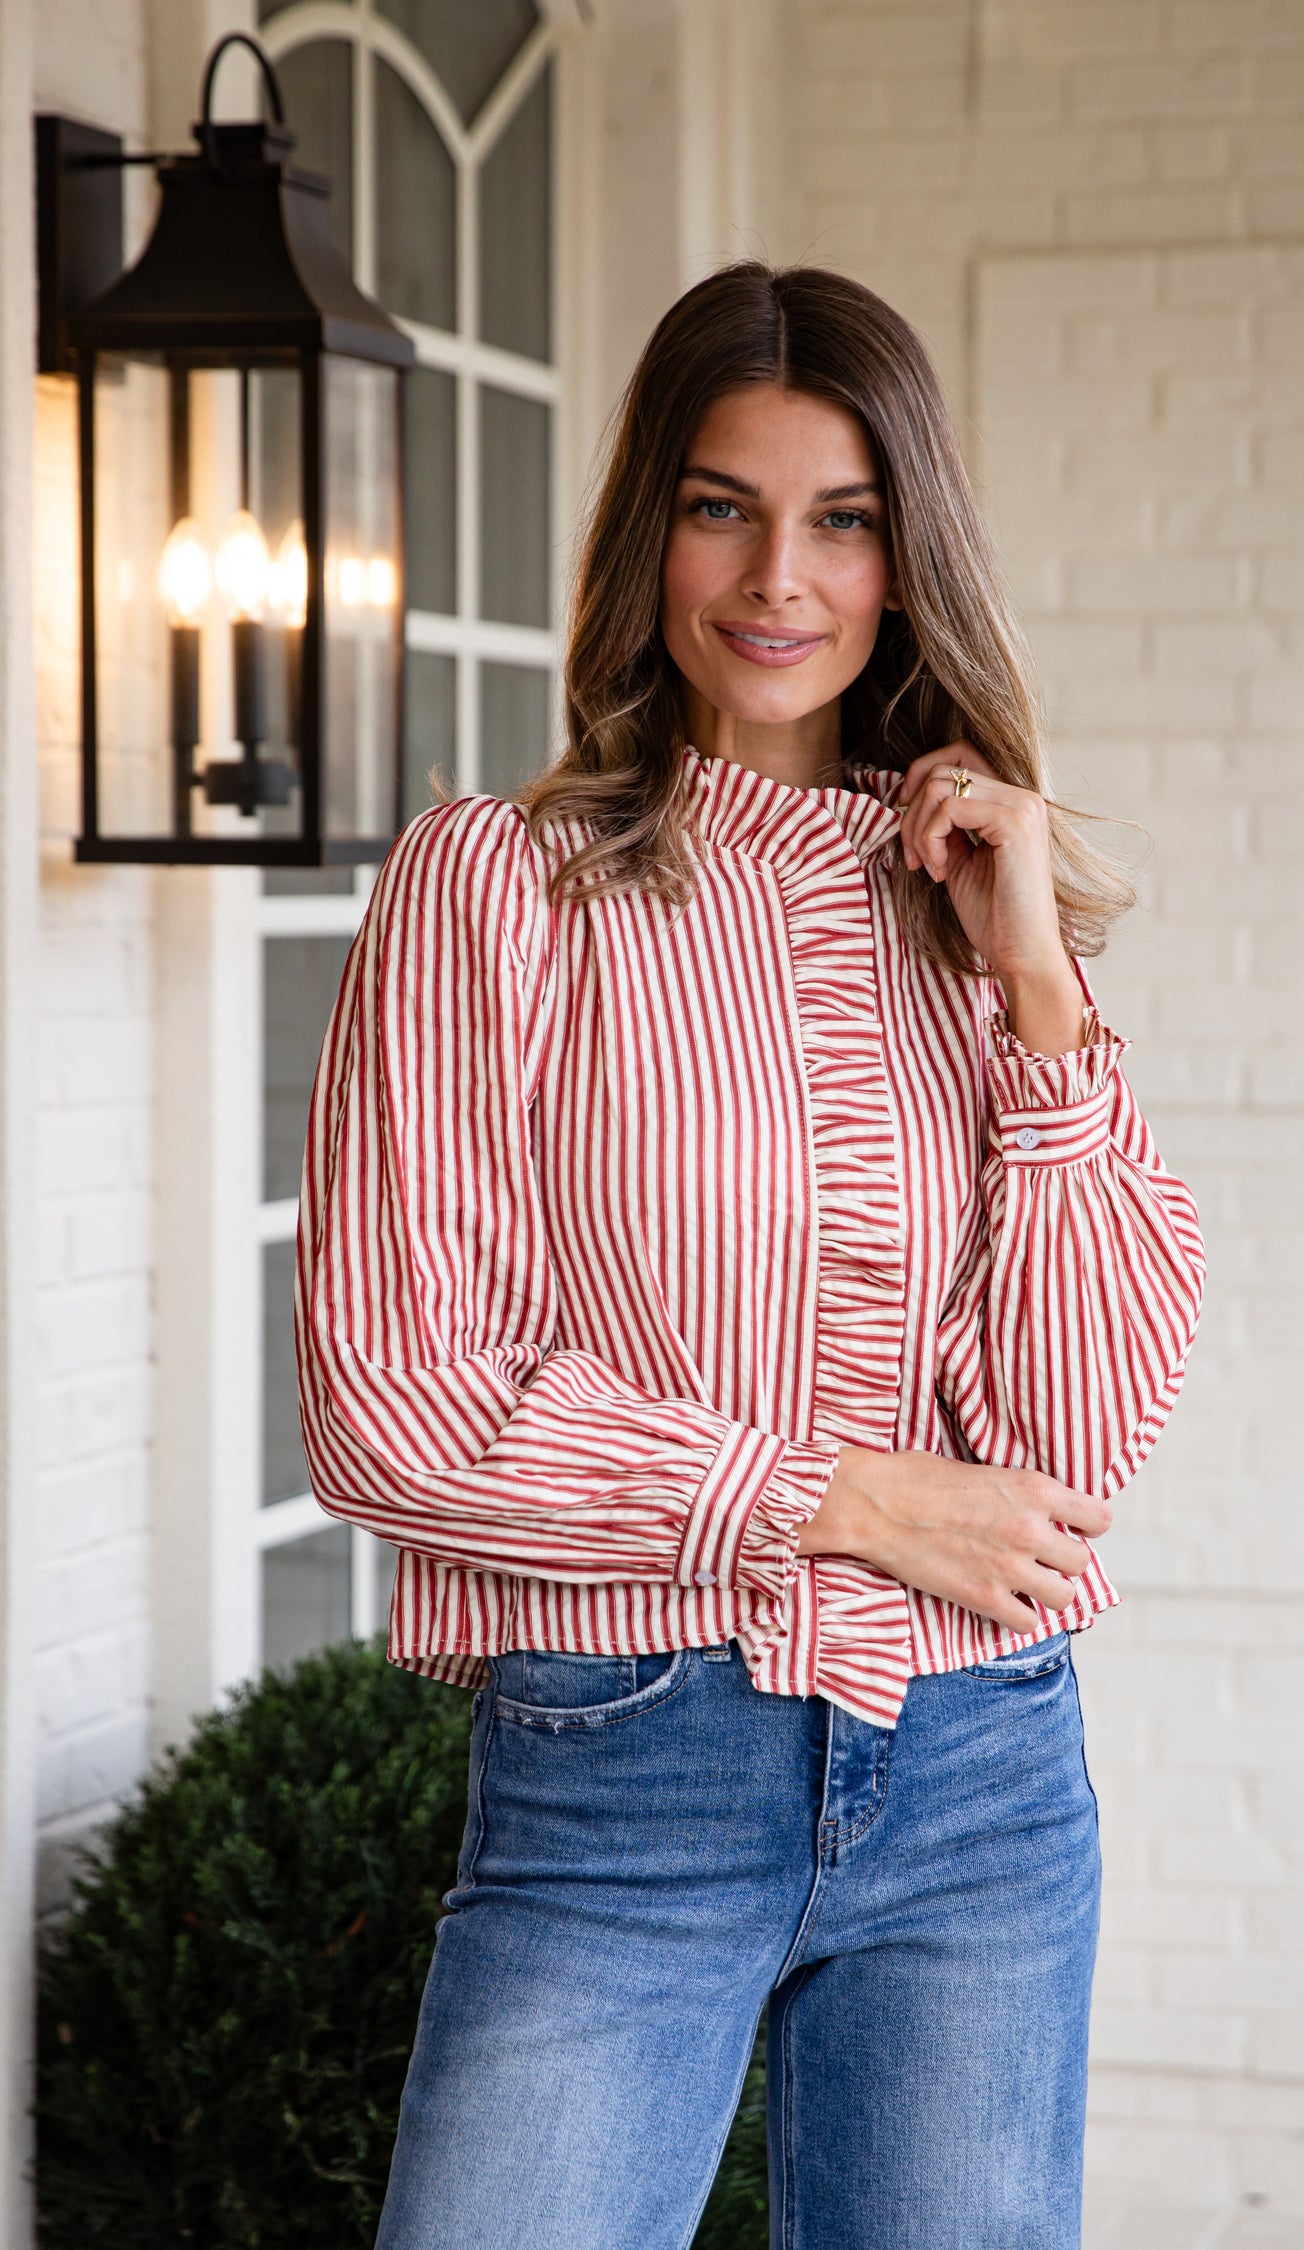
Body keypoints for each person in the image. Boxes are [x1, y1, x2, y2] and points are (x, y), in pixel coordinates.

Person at [295, 261, 1206, 2250]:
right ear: (651, 529)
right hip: (628, 1772)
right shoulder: (496, 887)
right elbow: (394, 1407)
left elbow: (1072, 1436)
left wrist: (1034, 979)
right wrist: (854, 1499)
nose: (777, 576)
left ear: (906, 558)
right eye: (723, 505)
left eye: (843, 518)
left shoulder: (972, 914)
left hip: (980, 1782)